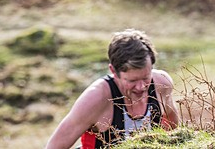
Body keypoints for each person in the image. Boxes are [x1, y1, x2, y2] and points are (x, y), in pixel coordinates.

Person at [45, 29, 180, 149]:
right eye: (132, 81)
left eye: (145, 77)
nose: (141, 87)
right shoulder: (95, 98)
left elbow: (172, 127)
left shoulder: (162, 84)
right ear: (113, 71)